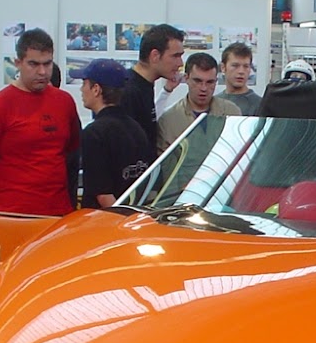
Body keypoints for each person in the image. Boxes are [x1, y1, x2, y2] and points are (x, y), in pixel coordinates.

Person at [0, 28, 81, 215]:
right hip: (14, 214)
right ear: (18, 63)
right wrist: (11, 192)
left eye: (47, 64)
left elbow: (70, 151)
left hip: (59, 212)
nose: (42, 72)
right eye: (33, 64)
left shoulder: (64, 102)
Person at [76, 59, 152, 209]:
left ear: (96, 89)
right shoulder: (136, 128)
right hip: (136, 214)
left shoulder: (94, 133)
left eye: (84, 83)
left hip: (104, 219)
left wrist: (121, 219)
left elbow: (103, 194)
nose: (81, 89)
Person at [157, 52, 241, 153]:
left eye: (210, 82)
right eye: (197, 81)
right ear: (186, 78)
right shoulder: (169, 120)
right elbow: (165, 160)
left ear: (216, 81)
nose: (203, 88)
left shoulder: (231, 113)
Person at [122, 23, 185, 156]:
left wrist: (166, 92)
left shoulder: (145, 85)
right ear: (155, 56)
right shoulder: (128, 91)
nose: (180, 63)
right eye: (175, 56)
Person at [216, 42, 261, 115]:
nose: (241, 71)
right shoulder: (214, 103)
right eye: (235, 66)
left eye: (246, 66)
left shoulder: (260, 105)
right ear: (223, 67)